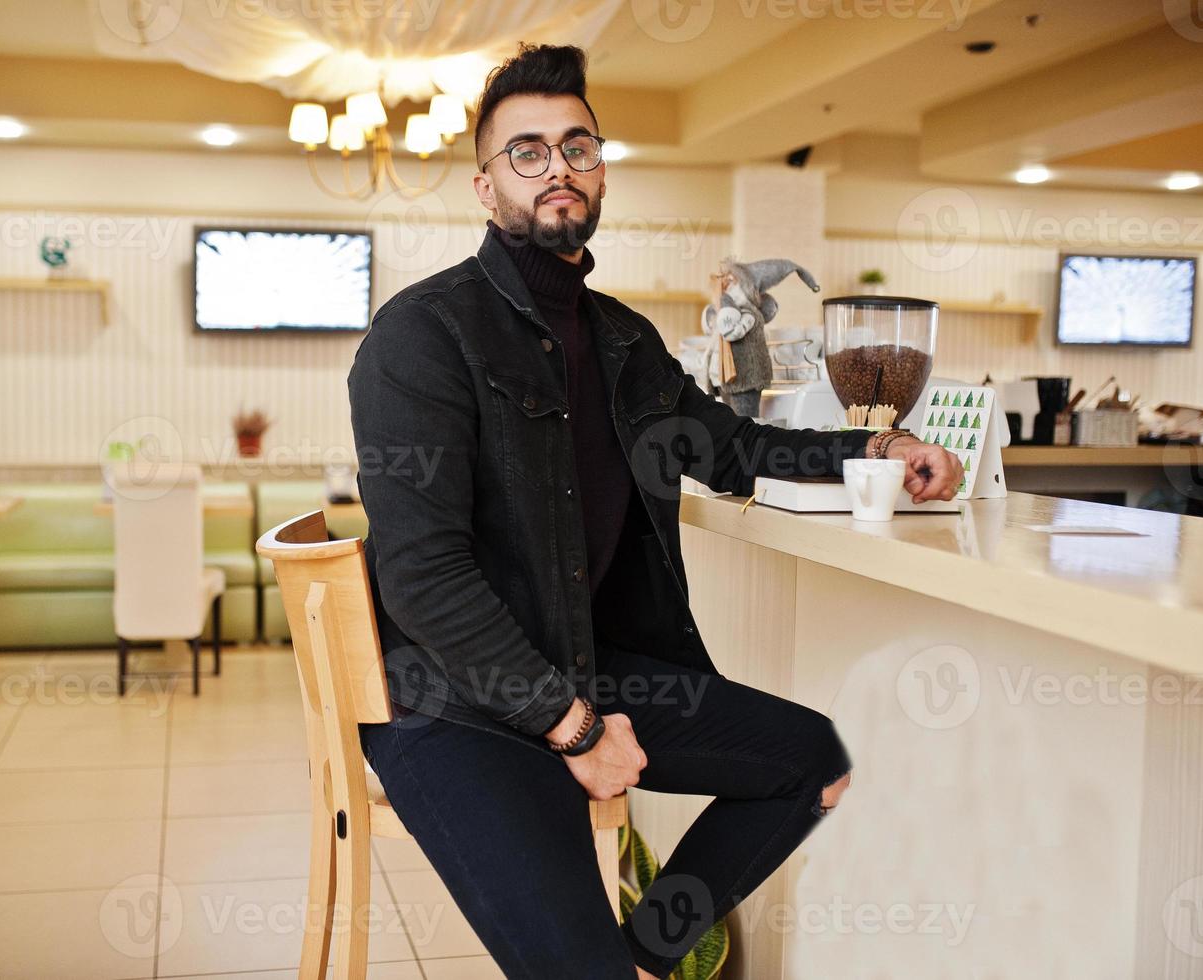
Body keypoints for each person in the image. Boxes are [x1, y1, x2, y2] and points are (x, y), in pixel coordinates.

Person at [347, 43, 962, 979]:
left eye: (577, 145)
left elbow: (736, 448)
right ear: (483, 187)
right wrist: (574, 729)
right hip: (454, 700)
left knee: (816, 758)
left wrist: (877, 446)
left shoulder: (623, 339)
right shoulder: (420, 335)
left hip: (584, 667)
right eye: (527, 151)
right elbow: (425, 580)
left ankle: (646, 958)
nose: (557, 166)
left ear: (600, 169)